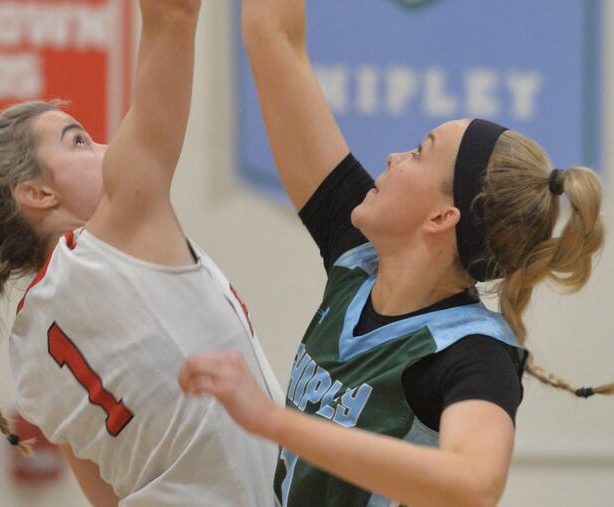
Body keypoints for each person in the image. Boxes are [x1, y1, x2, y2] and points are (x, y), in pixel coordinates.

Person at [179, 1, 613, 506]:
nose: (393, 156)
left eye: (419, 152)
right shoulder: (357, 257)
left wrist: (274, 421)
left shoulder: (473, 353)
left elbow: (474, 486)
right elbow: (273, 39)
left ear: (440, 218)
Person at [0, 1, 282, 506]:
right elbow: (174, 14)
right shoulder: (118, 233)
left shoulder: (30, 355)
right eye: (79, 141)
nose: (108, 148)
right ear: (38, 194)